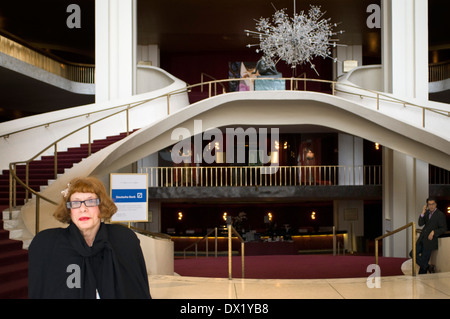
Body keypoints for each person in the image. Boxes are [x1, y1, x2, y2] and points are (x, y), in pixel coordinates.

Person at [28, 176, 151, 299]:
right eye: (76, 203)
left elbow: (137, 289)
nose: (83, 209)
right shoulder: (49, 244)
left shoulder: (124, 240)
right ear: (69, 210)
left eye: (90, 201)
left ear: (101, 206)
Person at [413, 197, 447, 274]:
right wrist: (422, 212)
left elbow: (443, 228)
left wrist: (434, 232)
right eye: (429, 204)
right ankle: (428, 267)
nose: (431, 206)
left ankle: (422, 282)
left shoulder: (440, 215)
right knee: (412, 254)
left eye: (433, 204)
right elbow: (420, 223)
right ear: (427, 205)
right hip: (422, 239)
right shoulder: (427, 212)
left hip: (430, 241)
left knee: (424, 261)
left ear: (436, 204)